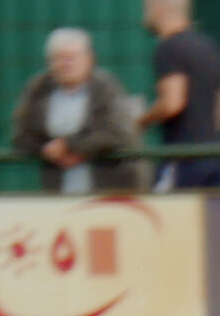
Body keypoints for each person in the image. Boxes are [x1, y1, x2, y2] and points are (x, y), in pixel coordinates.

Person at [11, 28, 143, 194]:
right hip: (58, 191)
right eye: (59, 58)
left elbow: (119, 133)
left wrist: (71, 146)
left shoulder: (107, 88)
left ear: (89, 59)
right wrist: (47, 150)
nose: (66, 64)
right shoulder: (37, 89)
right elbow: (20, 137)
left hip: (110, 189)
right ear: (49, 62)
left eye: (72, 57)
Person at [140, 0, 220, 191]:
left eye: (146, 9)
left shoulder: (168, 48)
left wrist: (142, 120)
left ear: (158, 10)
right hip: (215, 157)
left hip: (183, 159)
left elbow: (172, 103)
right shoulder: (210, 47)